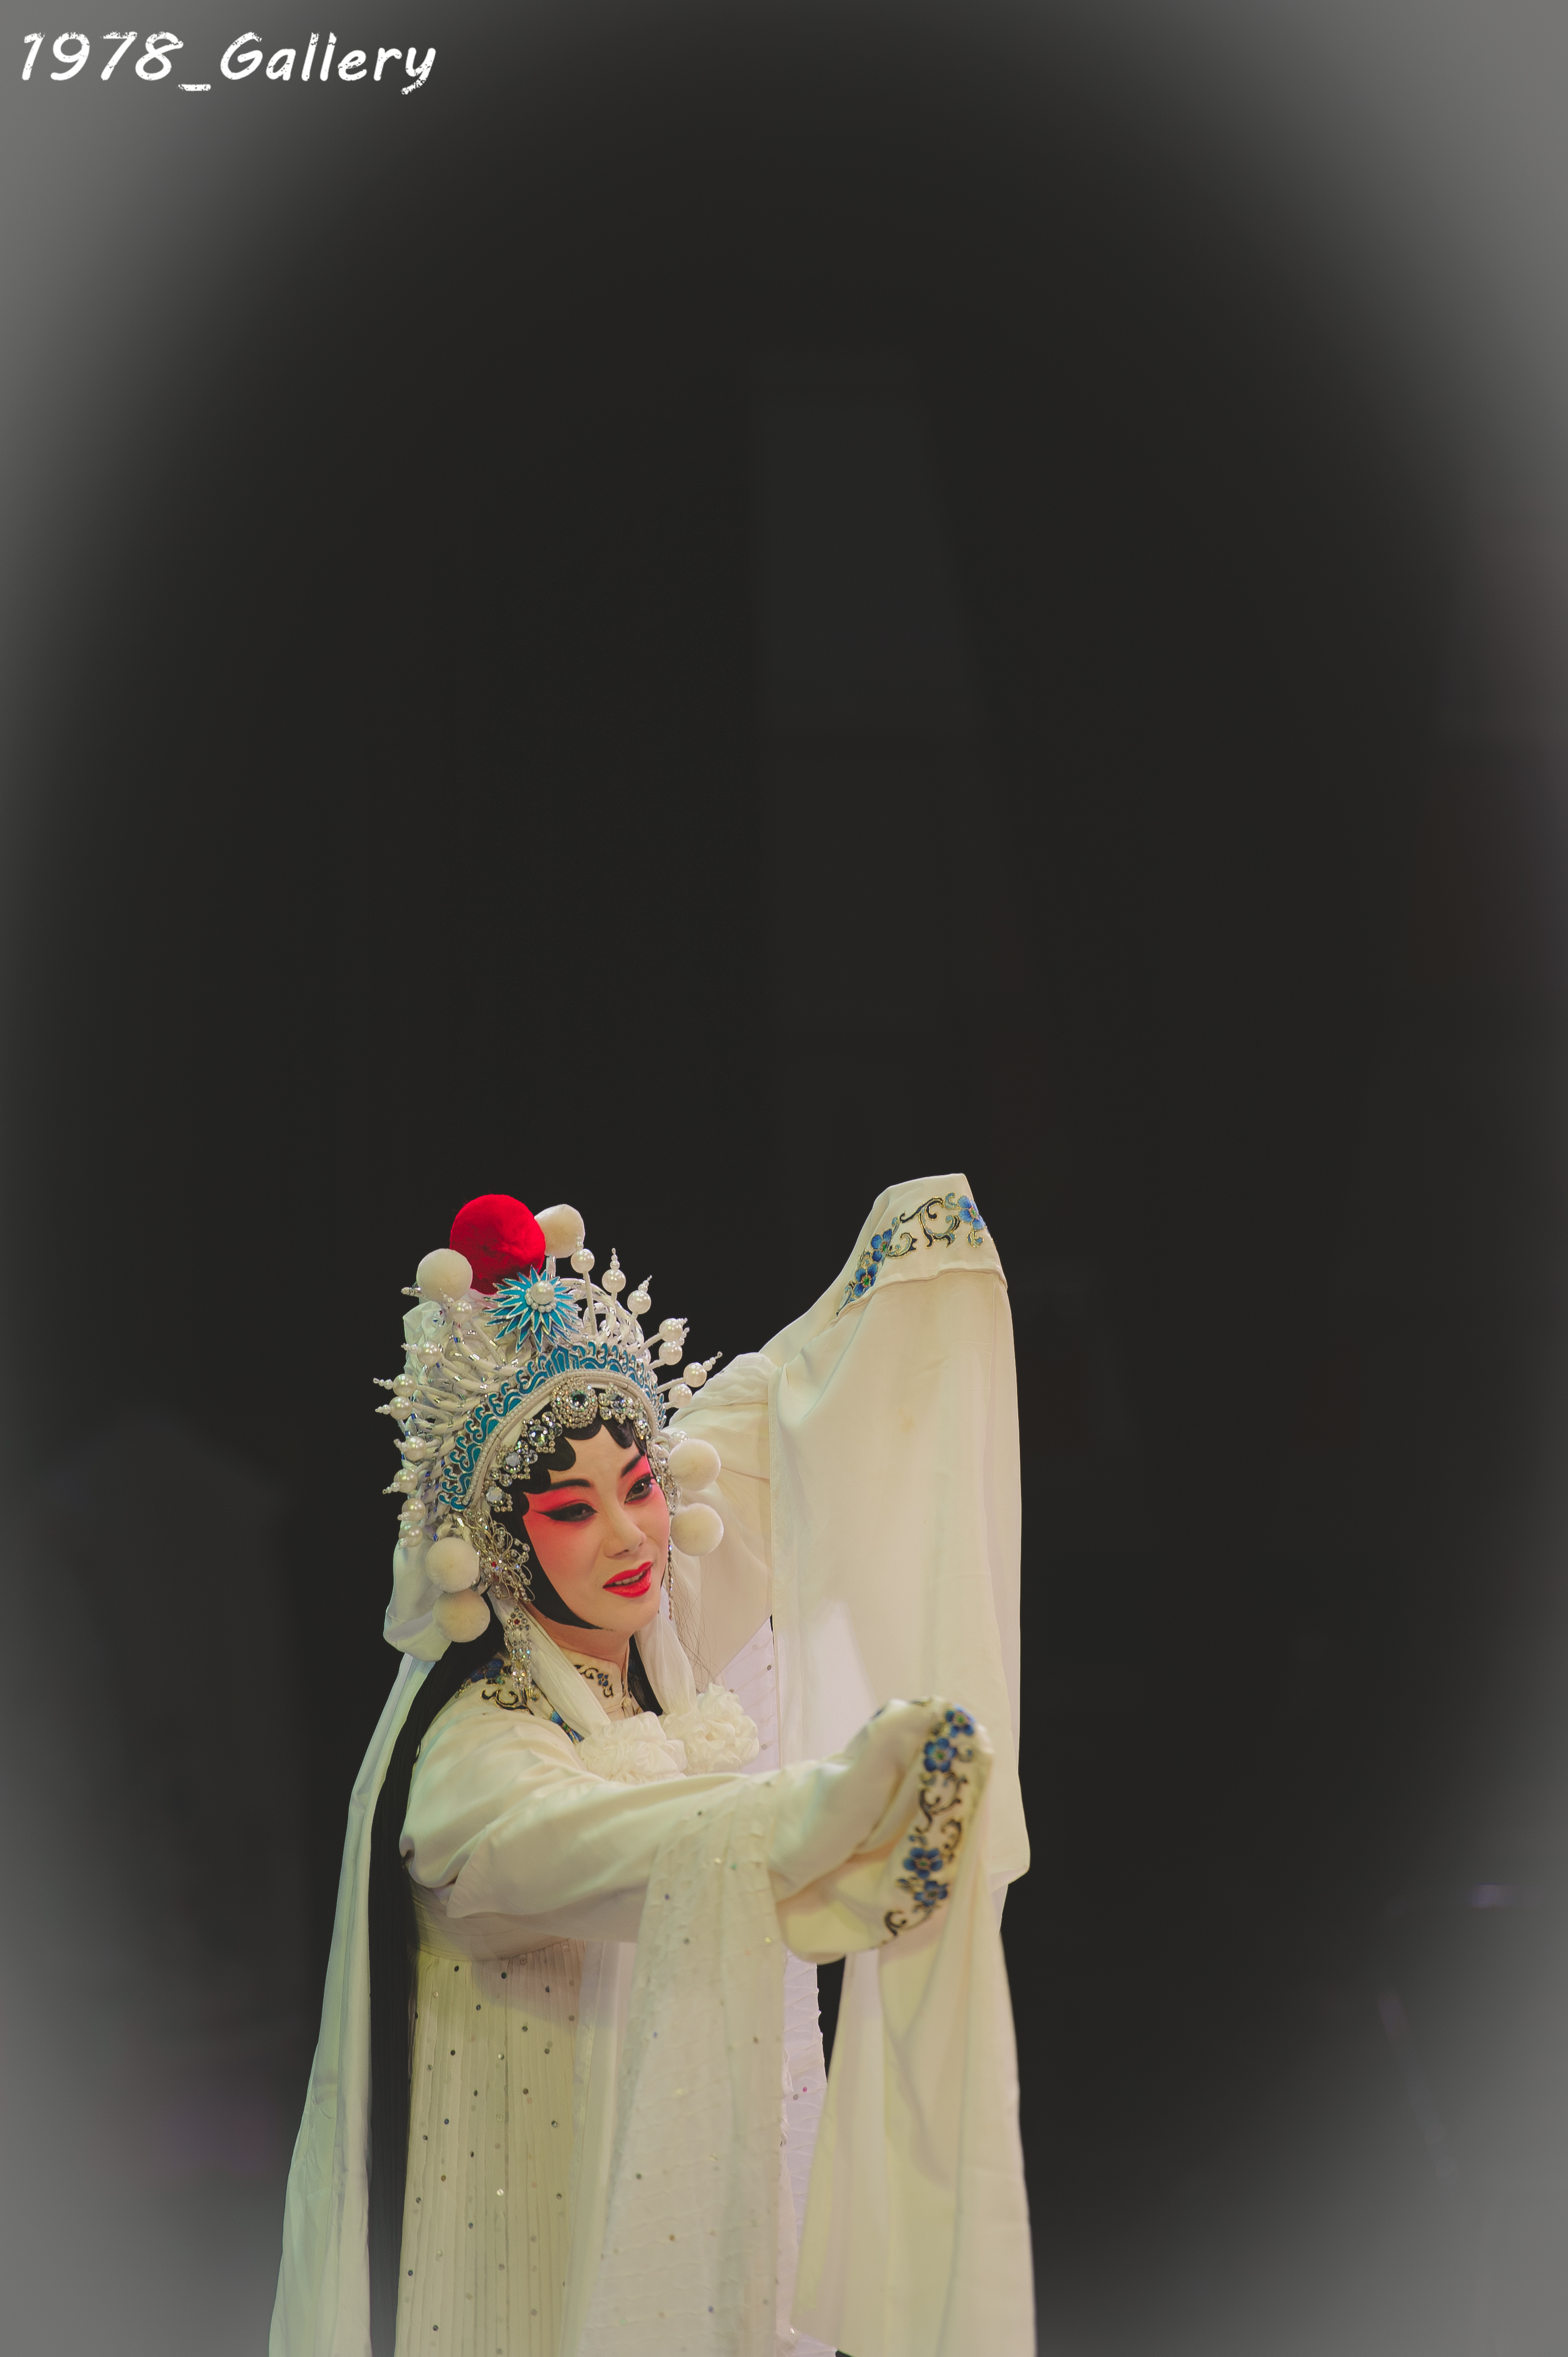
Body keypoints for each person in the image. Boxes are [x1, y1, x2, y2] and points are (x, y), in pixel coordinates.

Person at [271, 1179, 1031, 2357]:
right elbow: (624, 1841)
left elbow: (790, 1407)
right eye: (573, 1510)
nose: (630, 1536)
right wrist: (835, 1813)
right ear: (502, 1546)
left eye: (640, 1488)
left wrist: (915, 1265)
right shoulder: (476, 1755)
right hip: (537, 2286)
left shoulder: (662, 1651)